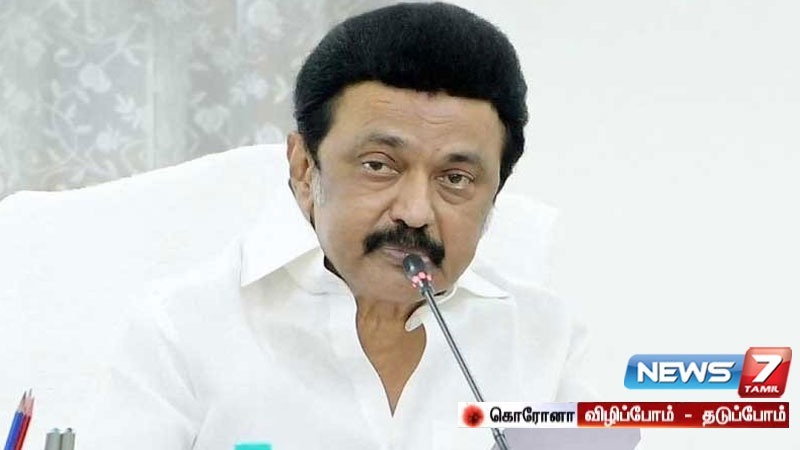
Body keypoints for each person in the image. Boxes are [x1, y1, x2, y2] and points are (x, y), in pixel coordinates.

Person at [83, 3, 594, 449]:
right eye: (379, 165)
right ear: (304, 168)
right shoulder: (183, 329)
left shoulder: (546, 340)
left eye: (455, 178)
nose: (415, 211)